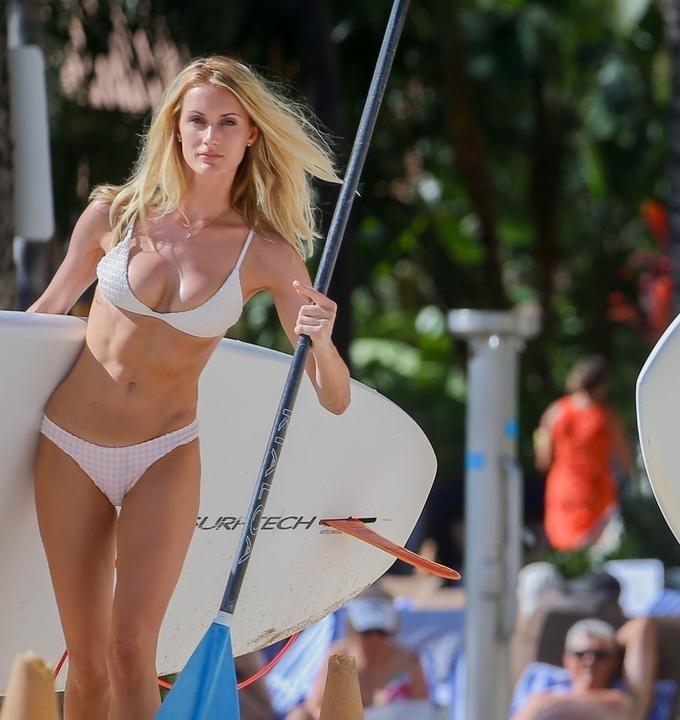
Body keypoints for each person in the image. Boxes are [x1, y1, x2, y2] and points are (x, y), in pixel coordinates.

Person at [27, 56, 350, 719]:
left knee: (131, 648)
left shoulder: (265, 251)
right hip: (69, 447)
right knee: (85, 666)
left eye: (228, 123)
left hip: (164, 453)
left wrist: (320, 338)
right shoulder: (113, 215)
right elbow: (46, 312)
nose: (211, 137)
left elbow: (335, 395)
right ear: (174, 128)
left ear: (252, 134)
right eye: (197, 121)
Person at [535, 355, 634, 552]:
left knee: (565, 548)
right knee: (594, 552)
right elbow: (625, 458)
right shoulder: (605, 417)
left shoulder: (556, 412)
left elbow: (543, 460)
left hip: (563, 487)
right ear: (601, 384)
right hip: (596, 491)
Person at [288, 593, 429, 718]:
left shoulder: (409, 660)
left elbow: (421, 709)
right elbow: (315, 706)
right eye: (366, 632)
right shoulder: (338, 656)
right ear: (352, 630)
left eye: (381, 632)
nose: (374, 639)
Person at [511, 616, 659, 720]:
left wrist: (614, 644)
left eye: (600, 655)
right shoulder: (542, 686)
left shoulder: (624, 703)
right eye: (580, 654)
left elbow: (641, 627)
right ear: (566, 660)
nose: (589, 661)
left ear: (615, 662)